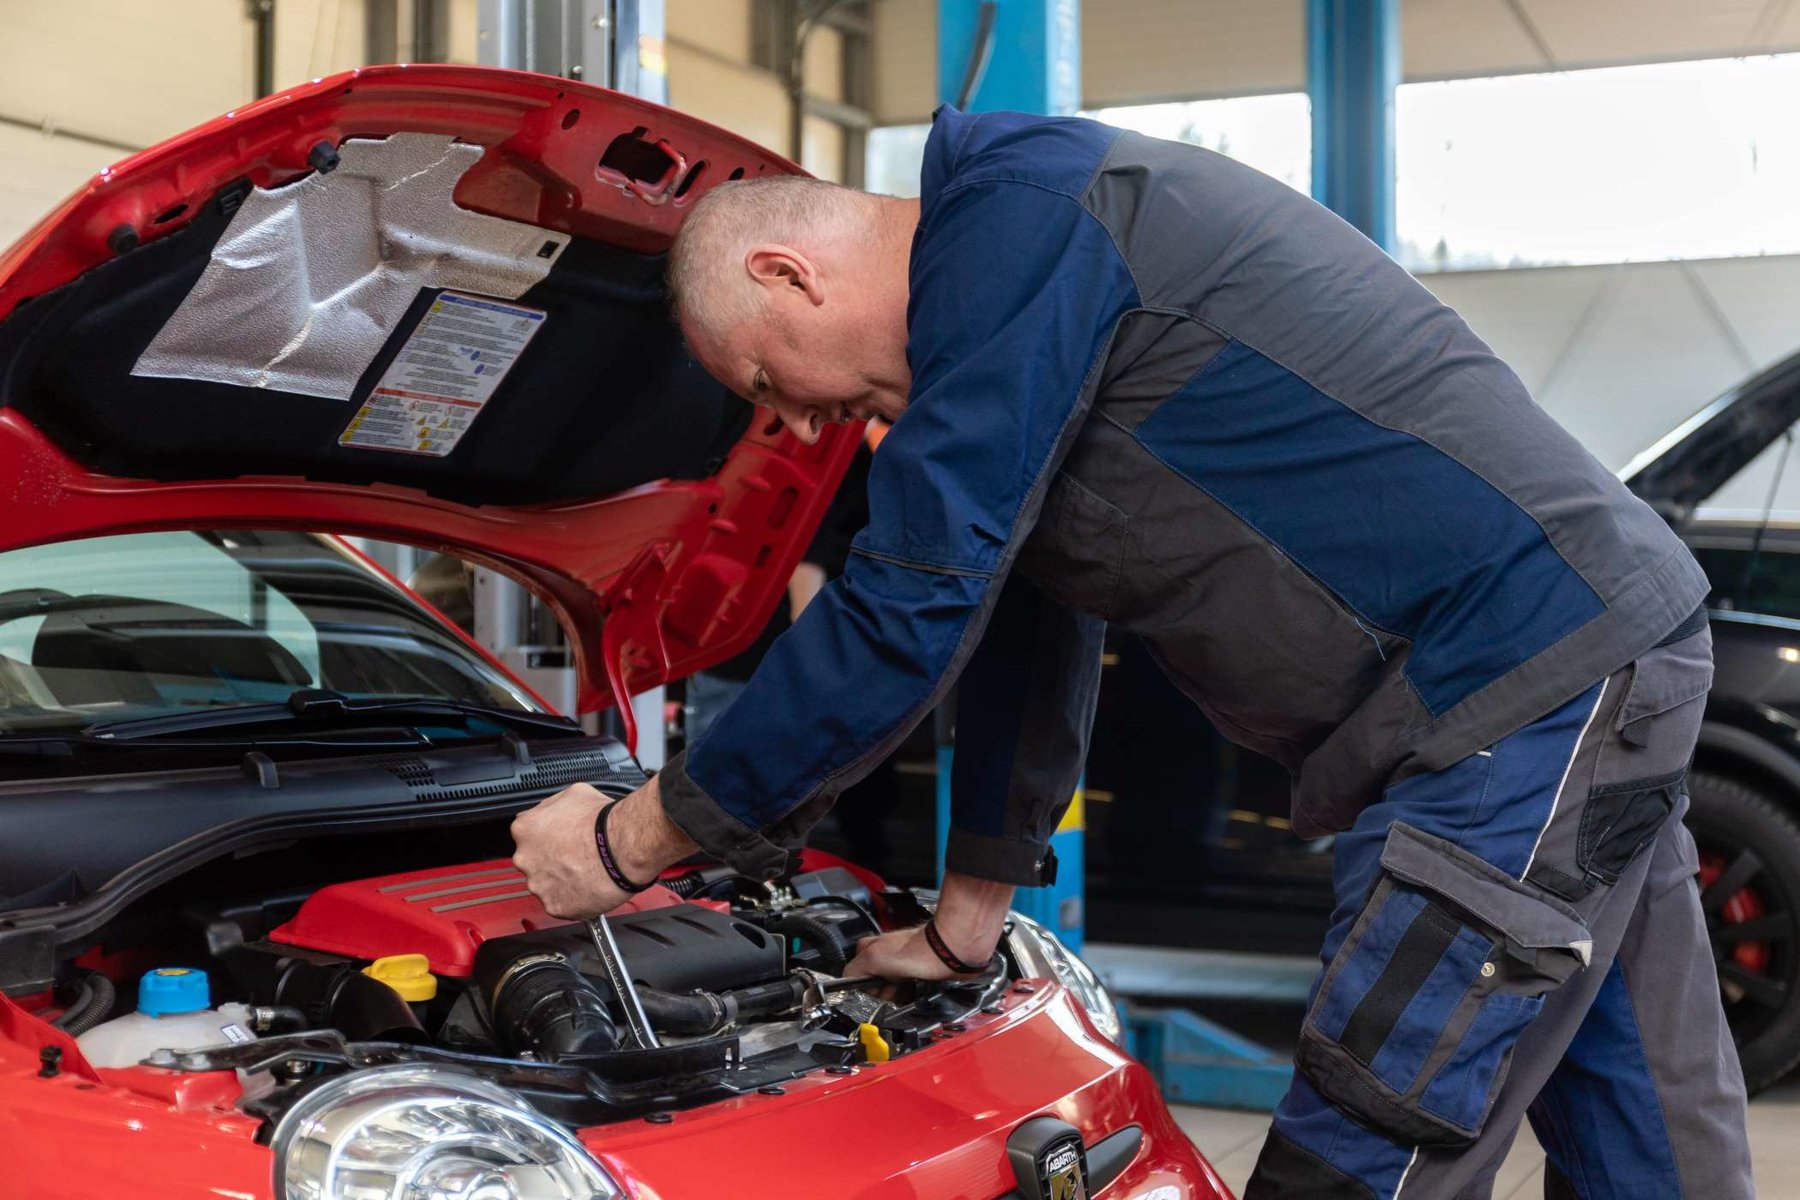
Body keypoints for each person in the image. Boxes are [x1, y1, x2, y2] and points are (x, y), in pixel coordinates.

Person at [511, 107, 1752, 1197]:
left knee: (1375, 1125)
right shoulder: (1019, 267)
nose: (792, 421)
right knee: (1639, 1103)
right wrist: (968, 912)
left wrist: (638, 839)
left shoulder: (1019, 221)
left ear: (788, 276)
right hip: (1581, 667)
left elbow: (909, 605)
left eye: (763, 377)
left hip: (1518, 691)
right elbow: (1023, 614)